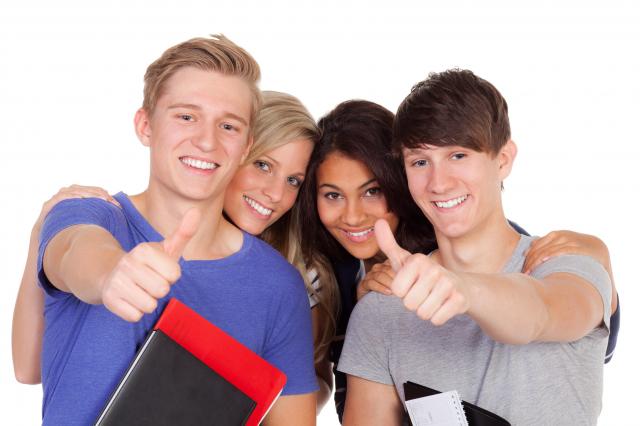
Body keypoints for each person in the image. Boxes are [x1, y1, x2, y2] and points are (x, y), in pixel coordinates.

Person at [31, 35, 317, 425]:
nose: (206, 141)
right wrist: (110, 274)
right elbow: (74, 251)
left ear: (247, 145)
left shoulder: (279, 286)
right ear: (145, 125)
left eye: (228, 126)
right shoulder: (89, 213)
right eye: (186, 116)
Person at [297, 99, 618, 423]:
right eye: (333, 195)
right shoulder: (329, 274)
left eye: (372, 191)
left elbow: (576, 336)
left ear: (400, 182)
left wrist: (600, 257)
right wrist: (365, 308)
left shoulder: (465, 248)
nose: (353, 216)